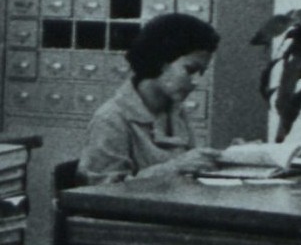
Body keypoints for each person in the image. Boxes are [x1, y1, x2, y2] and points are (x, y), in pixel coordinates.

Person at [80, 12, 222, 183]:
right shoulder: (111, 119)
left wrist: (229, 157)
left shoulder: (175, 110)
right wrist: (175, 167)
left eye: (201, 72)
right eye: (190, 70)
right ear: (161, 60)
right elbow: (101, 190)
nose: (196, 82)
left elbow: (189, 171)